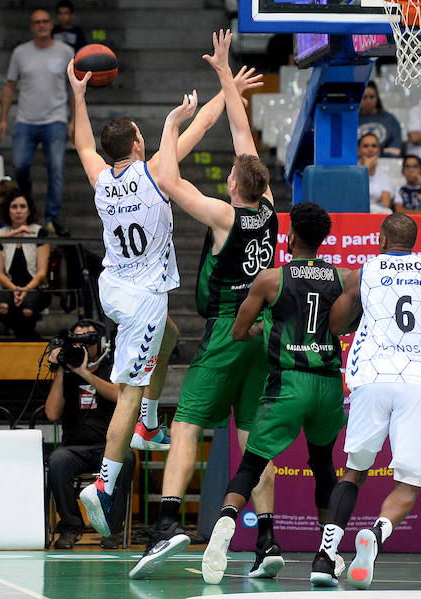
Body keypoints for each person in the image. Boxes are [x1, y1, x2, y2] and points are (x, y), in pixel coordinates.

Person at [66, 30, 253, 543]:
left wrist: (78, 96)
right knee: (127, 392)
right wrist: (227, 85)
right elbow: (207, 120)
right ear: (140, 143)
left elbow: (81, 142)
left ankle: (149, 421)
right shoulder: (154, 174)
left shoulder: (102, 178)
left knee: (168, 336)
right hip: (143, 297)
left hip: (114, 289)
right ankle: (103, 486)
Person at [128, 31, 280, 580]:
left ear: (235, 186)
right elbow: (242, 131)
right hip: (265, 333)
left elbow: (166, 179)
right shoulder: (269, 207)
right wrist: (224, 77)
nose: (229, 171)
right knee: (251, 438)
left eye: (231, 174)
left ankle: (168, 525)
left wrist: (170, 126)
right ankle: (266, 540)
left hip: (227, 330)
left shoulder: (226, 214)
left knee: (188, 423)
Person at [310, 212, 421, 588]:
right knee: (408, 483)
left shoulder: (364, 271)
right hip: (417, 382)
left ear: (382, 241)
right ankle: (377, 533)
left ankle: (324, 557)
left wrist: (361, 314)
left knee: (353, 471)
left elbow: (335, 324)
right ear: (414, 243)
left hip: (371, 378)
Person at [200, 202, 348, 585]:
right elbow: (348, 324)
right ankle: (327, 554)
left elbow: (237, 331)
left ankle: (222, 531)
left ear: (291, 236)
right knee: (323, 465)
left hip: (288, 383)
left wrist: (264, 330)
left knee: (251, 466)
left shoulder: (270, 279)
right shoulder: (344, 278)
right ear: (324, 239)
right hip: (329, 384)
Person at [46, 320, 136, 549]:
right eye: (78, 339)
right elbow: (51, 413)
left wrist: (85, 373)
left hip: (108, 447)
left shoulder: (113, 369)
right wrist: (61, 369)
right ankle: (70, 527)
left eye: (89, 338)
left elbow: (119, 396)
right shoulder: (66, 374)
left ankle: (112, 530)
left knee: (126, 459)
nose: (83, 345)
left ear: (101, 342)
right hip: (74, 447)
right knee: (57, 461)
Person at [0, 9, 75, 235]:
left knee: (56, 169)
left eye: (44, 21)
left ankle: (51, 217)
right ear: (32, 27)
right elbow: (9, 85)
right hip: (25, 121)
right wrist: (3, 119)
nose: (41, 25)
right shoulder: (20, 53)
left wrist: (75, 122)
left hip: (56, 120)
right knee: (20, 166)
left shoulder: (66, 51)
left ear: (52, 25)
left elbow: (74, 89)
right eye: (36, 22)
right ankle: (26, 209)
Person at [0, 193, 50, 339]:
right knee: (2, 307)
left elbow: (42, 273)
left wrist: (24, 290)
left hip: (34, 286)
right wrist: (15, 289)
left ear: (29, 210)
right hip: (9, 286)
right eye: (14, 207)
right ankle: (25, 339)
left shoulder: (39, 233)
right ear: (8, 210)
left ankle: (24, 340)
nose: (18, 211)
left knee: (27, 310)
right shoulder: (0, 234)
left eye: (22, 207)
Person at [358, 81, 402, 157]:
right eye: (364, 97)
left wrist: (378, 153)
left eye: (371, 97)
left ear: (377, 98)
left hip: (385, 163)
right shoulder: (352, 120)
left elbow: (396, 150)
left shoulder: (390, 119)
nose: (368, 101)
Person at [358, 133, 392, 214]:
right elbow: (352, 198)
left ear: (379, 150)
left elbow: (385, 206)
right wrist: (366, 169)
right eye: (366, 146)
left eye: (374, 146)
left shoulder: (384, 177)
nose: (370, 149)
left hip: (376, 215)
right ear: (358, 150)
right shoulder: (351, 173)